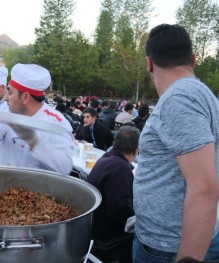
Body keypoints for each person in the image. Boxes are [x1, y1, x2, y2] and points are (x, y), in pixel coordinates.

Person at [133, 24, 219, 262]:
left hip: (169, 247)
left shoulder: (179, 100)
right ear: (193, 59)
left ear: (149, 63)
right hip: (166, 238)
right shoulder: (201, 94)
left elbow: (204, 189)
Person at [0, 63, 74, 180]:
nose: (6, 97)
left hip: (36, 192)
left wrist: (35, 142)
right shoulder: (9, 111)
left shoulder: (57, 123)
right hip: (2, 185)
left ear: (25, 97)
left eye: (10, 92)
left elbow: (65, 166)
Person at [86, 126, 140, 262]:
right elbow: (119, 209)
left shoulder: (107, 158)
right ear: (136, 150)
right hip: (106, 238)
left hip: (94, 225)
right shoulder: (120, 168)